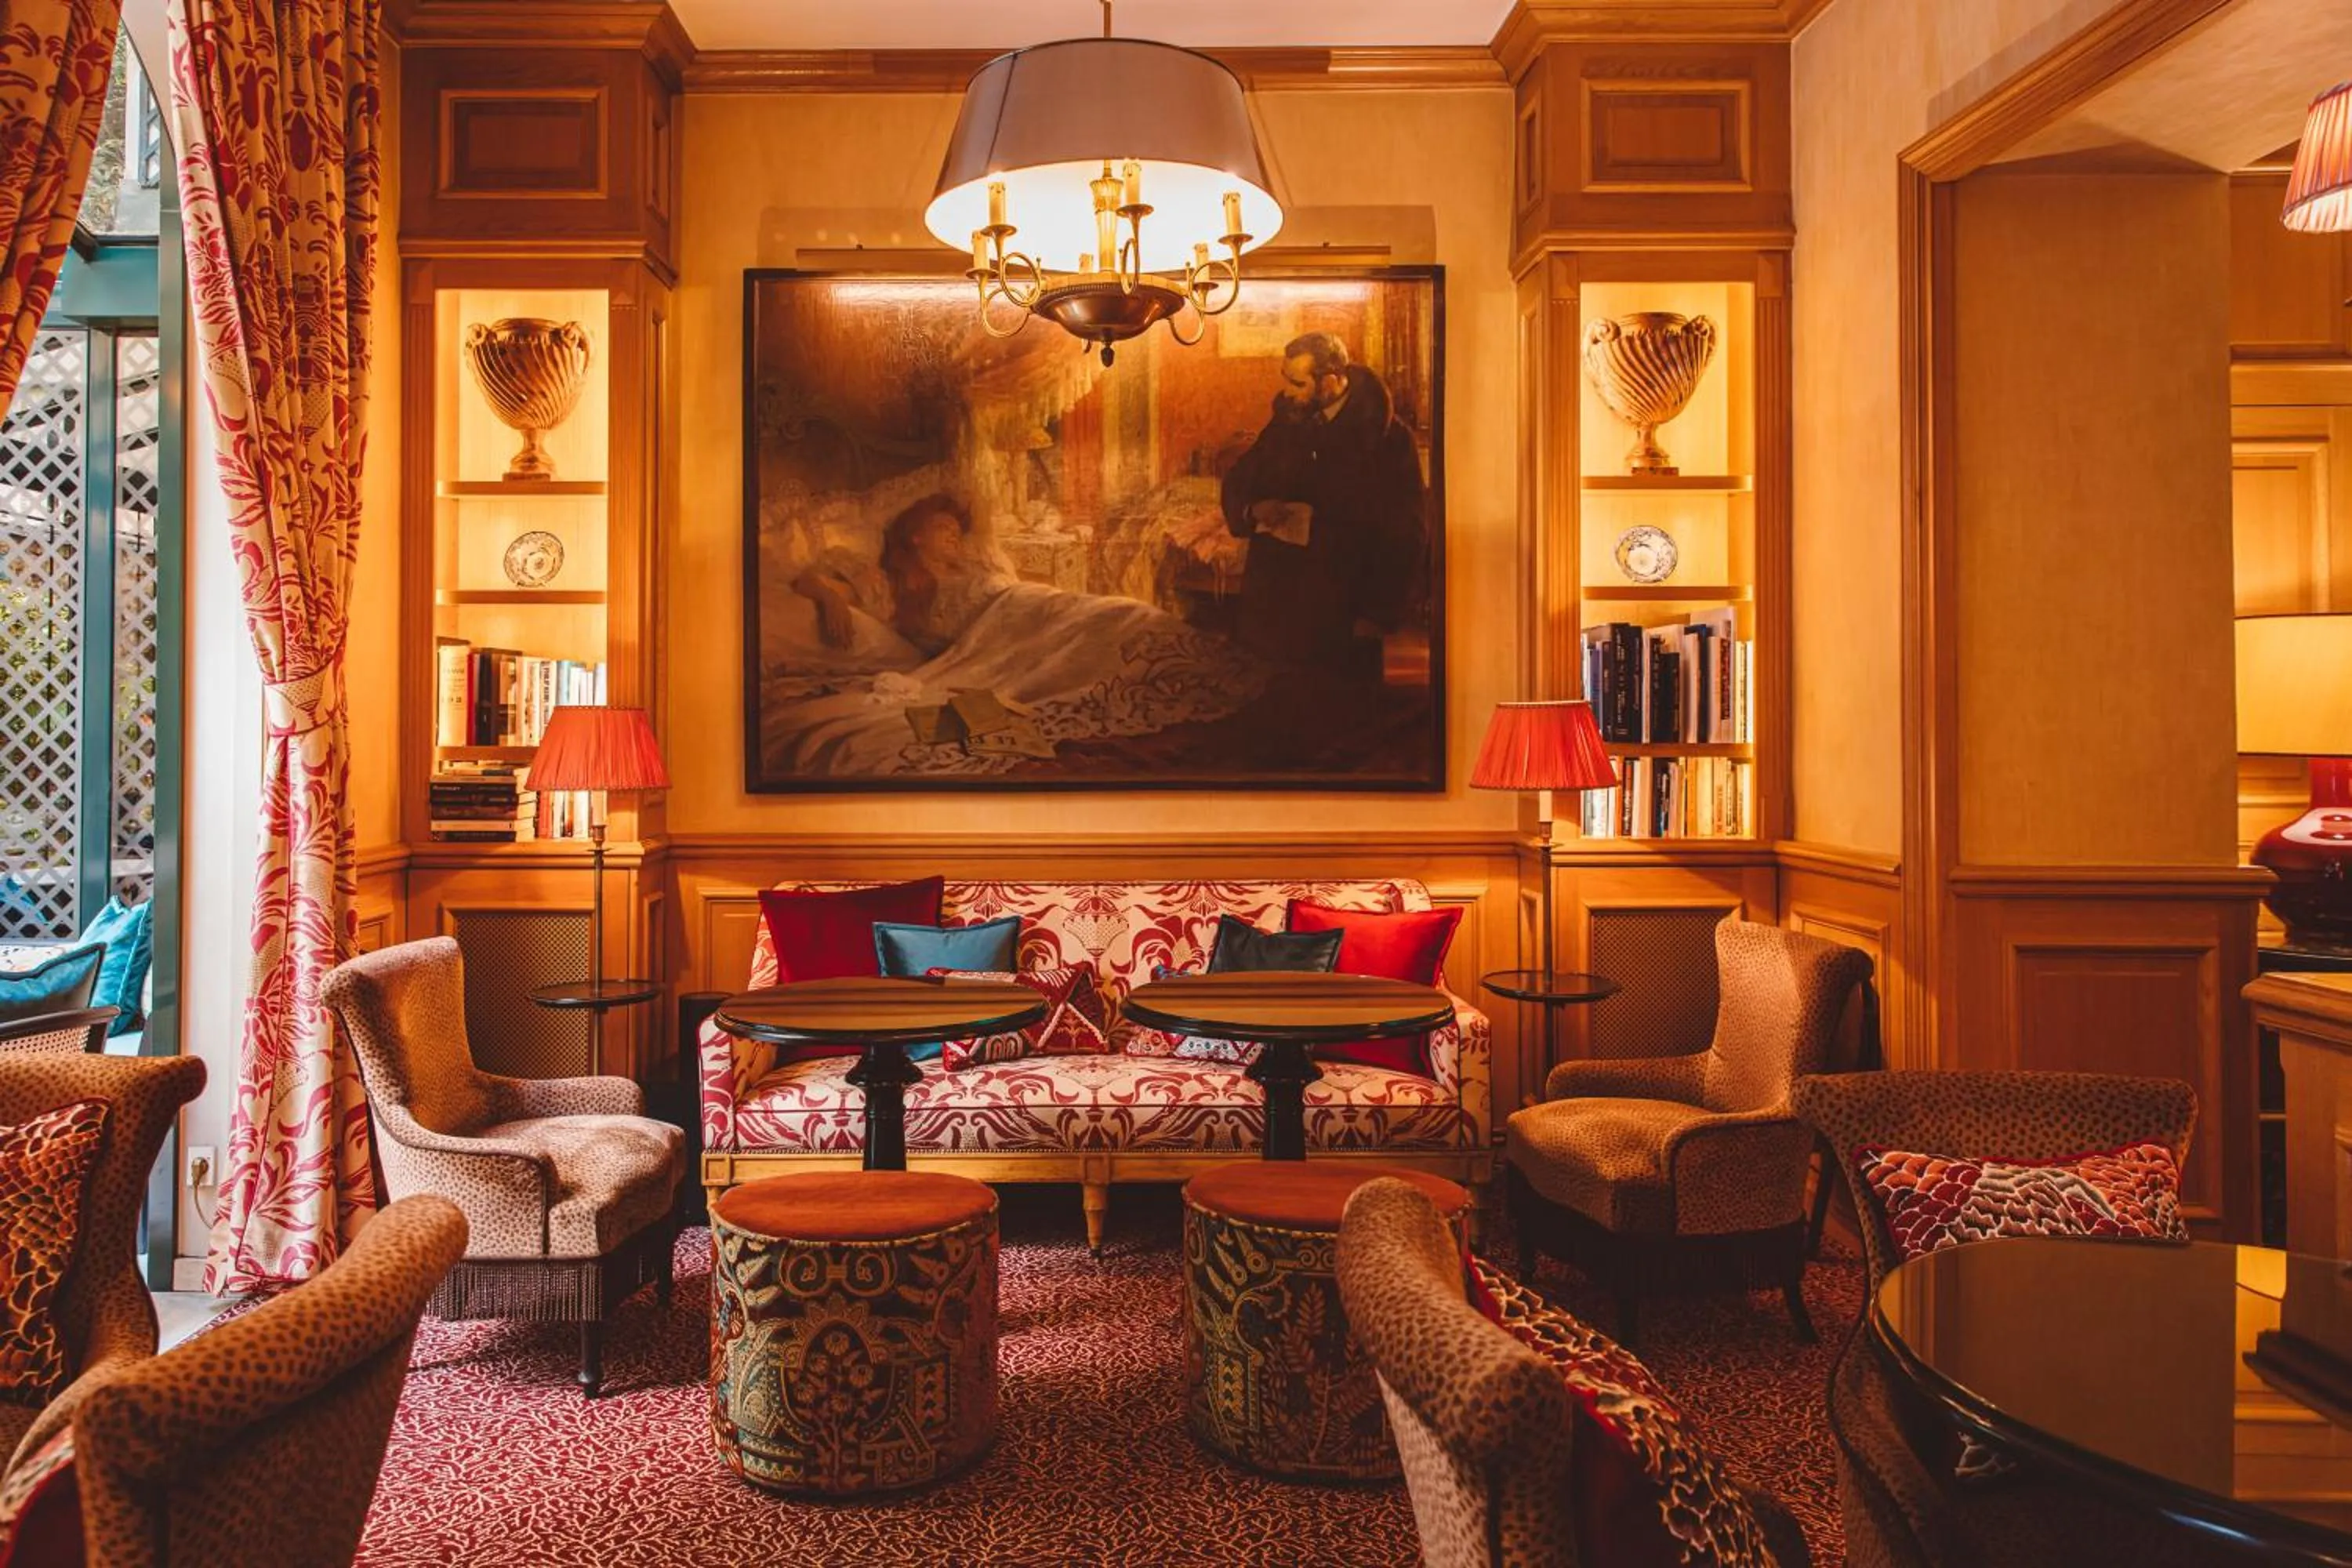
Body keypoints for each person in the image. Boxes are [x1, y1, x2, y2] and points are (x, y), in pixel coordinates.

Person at [1218, 331, 1427, 676]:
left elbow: (1407, 533)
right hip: (1274, 606)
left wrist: (1377, 615)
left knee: (1333, 699)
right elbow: (1242, 477)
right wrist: (1252, 509)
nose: (1287, 392)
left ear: (1330, 381)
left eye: (1297, 383)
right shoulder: (1288, 419)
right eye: (1286, 379)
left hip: (1343, 612)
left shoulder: (1389, 439)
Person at [791, 492, 1012, 658]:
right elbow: (807, 582)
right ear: (916, 537)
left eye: (957, 532)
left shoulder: (976, 570)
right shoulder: (893, 585)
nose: (954, 536)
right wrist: (831, 600)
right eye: (943, 527)